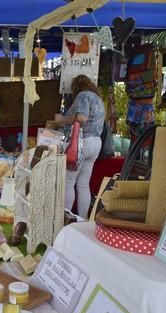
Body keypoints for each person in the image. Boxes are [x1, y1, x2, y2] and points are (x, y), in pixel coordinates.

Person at [54, 74, 105, 219]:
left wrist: (62, 119)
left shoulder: (83, 96)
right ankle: (82, 220)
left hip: (82, 143)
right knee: (83, 184)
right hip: (96, 142)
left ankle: (65, 219)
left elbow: (82, 117)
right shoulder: (98, 99)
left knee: (69, 182)